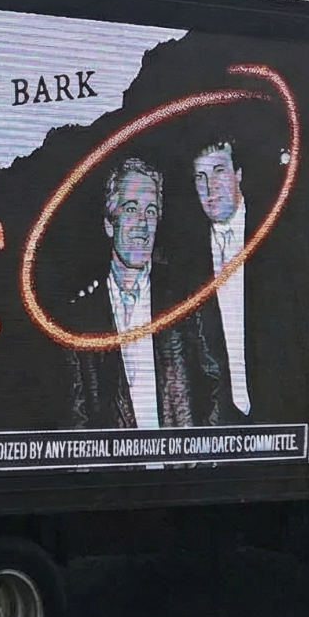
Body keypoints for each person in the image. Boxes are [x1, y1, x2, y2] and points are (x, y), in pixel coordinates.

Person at [64, 157, 241, 429]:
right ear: (110, 223)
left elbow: (217, 390)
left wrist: (198, 464)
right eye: (131, 209)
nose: (142, 224)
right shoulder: (80, 320)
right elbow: (78, 422)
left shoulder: (187, 301)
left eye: (150, 211)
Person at [193, 140, 252, 417]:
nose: (209, 187)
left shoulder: (279, 237)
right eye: (200, 177)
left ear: (238, 173)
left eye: (219, 171)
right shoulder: (185, 256)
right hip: (219, 422)